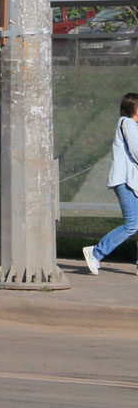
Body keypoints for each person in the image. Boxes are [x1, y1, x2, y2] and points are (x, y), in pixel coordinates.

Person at [84, 92, 138, 275]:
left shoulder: (131, 125)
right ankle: (96, 252)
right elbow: (137, 150)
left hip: (131, 181)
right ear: (134, 108)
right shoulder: (127, 123)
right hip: (125, 181)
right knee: (131, 224)